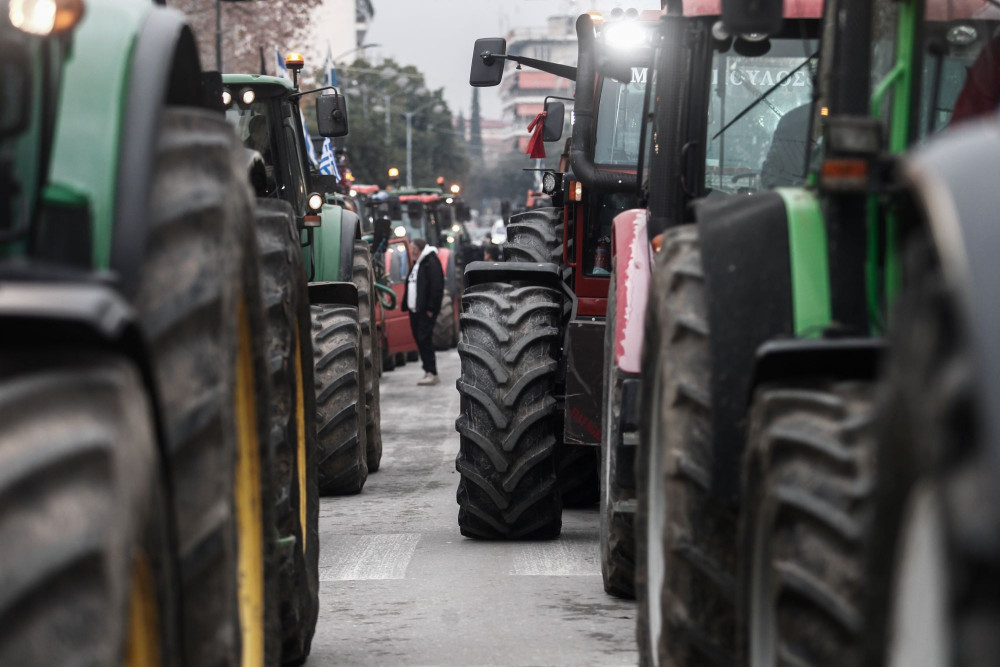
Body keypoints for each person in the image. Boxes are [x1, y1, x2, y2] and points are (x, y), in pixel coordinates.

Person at [402, 238, 444, 385]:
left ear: (417, 249)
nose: (411, 251)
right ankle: (427, 371)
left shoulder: (431, 262)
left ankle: (432, 372)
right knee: (420, 340)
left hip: (425, 310)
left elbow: (436, 286)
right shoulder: (418, 263)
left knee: (425, 340)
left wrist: (431, 308)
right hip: (415, 310)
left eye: (412, 248)